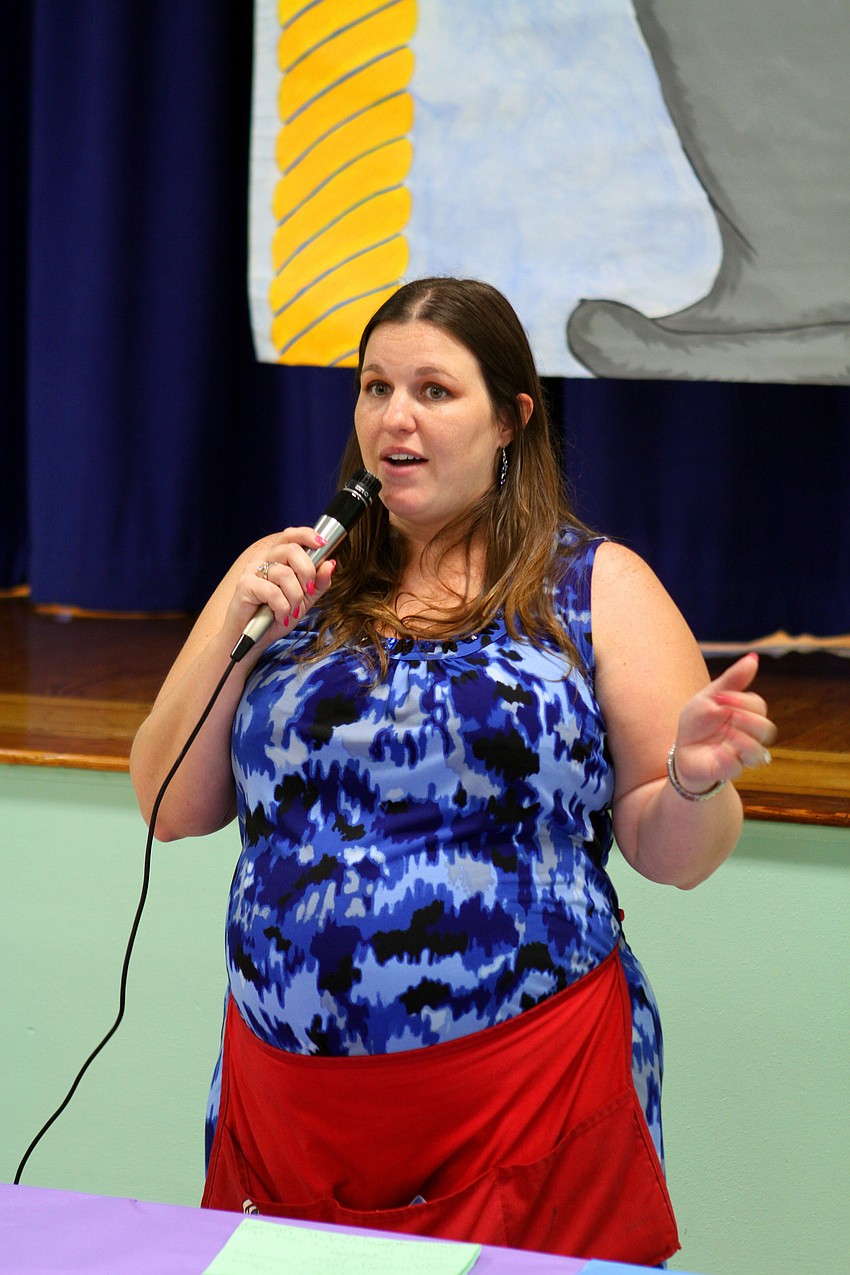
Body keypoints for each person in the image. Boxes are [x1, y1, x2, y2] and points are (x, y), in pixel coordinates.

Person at [129, 277, 776, 1265]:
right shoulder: (298, 581)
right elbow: (169, 805)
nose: (395, 417)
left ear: (512, 418)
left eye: (434, 390)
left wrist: (691, 779)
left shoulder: (597, 585)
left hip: (525, 1093)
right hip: (290, 1106)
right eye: (374, 386)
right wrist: (231, 613)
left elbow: (673, 856)